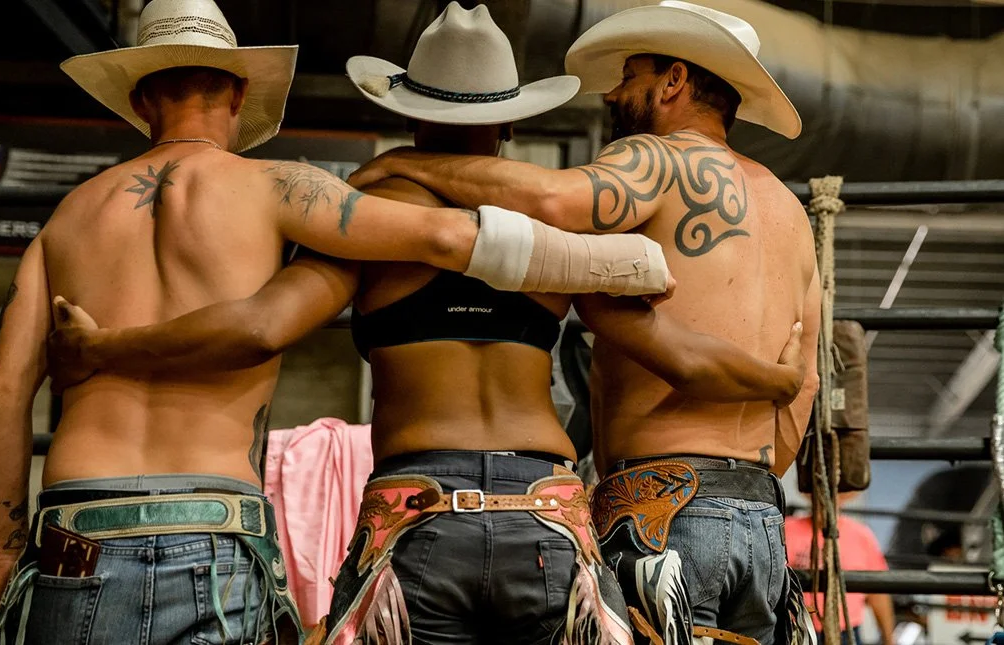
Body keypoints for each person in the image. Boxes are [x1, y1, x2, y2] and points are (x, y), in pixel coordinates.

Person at [45, 3, 808, 643]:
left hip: (418, 515)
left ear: (407, 113)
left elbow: (259, 326)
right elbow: (680, 354)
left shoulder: (367, 220)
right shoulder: (559, 244)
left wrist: (106, 346)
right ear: (508, 125)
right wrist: (777, 379)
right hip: (545, 518)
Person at [344, 2, 821, 642]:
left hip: (662, 511)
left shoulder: (656, 158)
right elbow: (805, 380)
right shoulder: (788, 208)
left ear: (674, 81)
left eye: (629, 75)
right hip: (760, 513)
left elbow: (551, 200)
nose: (614, 93)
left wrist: (406, 162)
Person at [785, 496, 896, 645]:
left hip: (845, 631)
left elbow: (877, 593)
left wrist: (889, 639)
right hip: (796, 629)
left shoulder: (861, 535)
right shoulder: (787, 529)